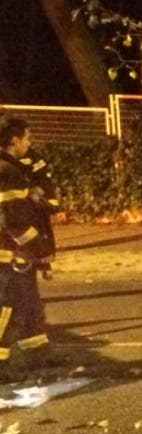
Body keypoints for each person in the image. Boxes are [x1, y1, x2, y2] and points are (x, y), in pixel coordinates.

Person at [0, 116, 54, 378]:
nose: (29, 143)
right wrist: (38, 246)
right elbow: (14, 220)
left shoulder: (10, 168)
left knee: (29, 302)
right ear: (14, 141)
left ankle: (37, 352)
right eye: (27, 138)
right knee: (6, 307)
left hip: (15, 253)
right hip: (8, 254)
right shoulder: (6, 172)